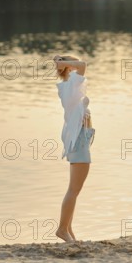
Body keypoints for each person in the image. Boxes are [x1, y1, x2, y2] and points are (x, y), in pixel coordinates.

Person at [53, 54, 95, 243]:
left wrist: (62, 63)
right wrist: (62, 63)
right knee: (74, 190)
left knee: (74, 189)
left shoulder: (70, 88)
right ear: (69, 68)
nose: (78, 69)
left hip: (80, 141)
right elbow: (83, 65)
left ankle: (68, 229)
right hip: (78, 142)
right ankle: (62, 229)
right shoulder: (71, 86)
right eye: (73, 65)